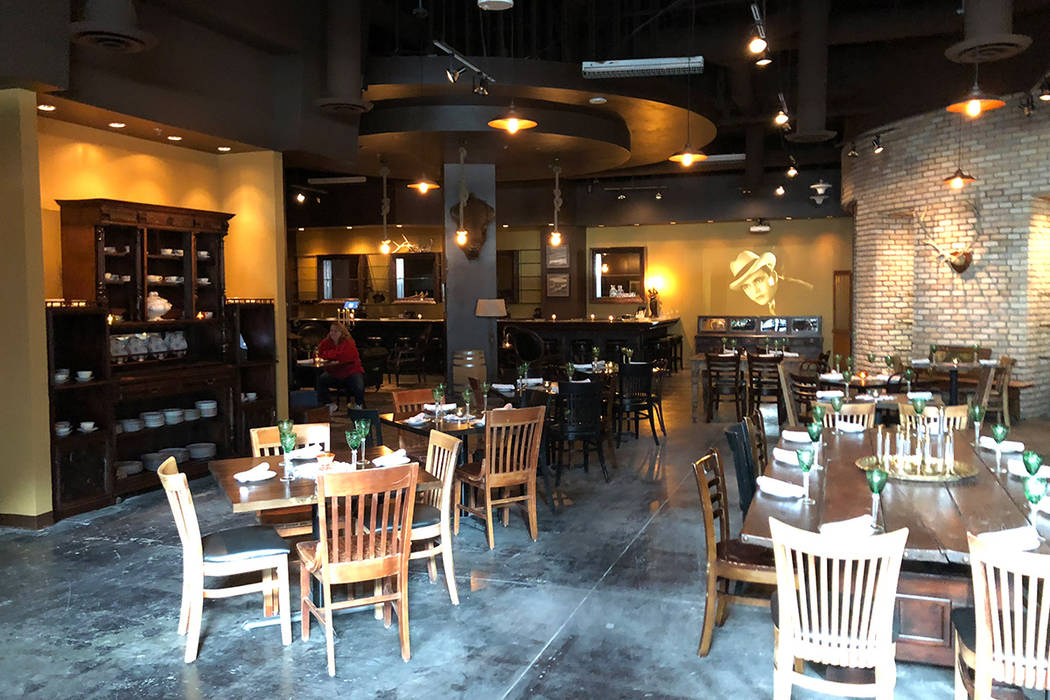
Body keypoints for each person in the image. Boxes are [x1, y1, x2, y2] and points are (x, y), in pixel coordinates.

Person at [315, 322, 365, 412]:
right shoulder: (326, 342)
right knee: (321, 380)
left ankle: (359, 405)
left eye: (336, 331)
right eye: (331, 331)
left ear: (342, 333)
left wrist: (328, 354)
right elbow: (318, 353)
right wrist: (333, 355)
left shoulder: (348, 342)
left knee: (358, 385)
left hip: (351, 371)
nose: (333, 333)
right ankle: (328, 403)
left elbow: (343, 356)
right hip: (335, 372)